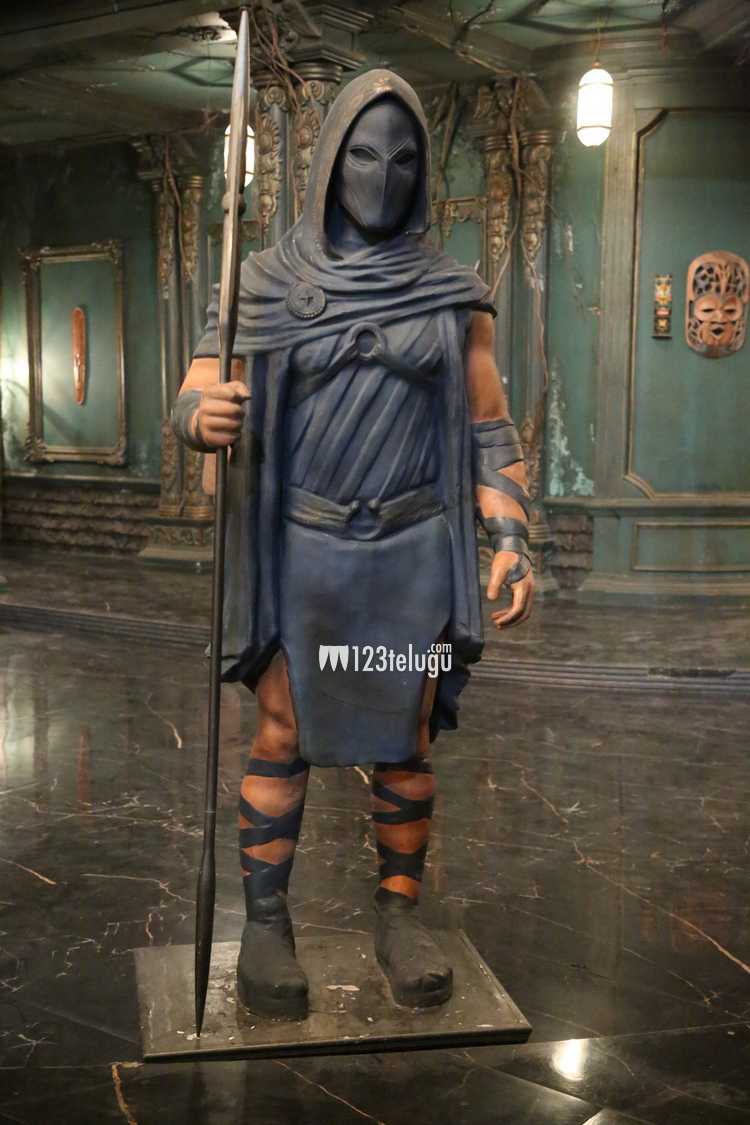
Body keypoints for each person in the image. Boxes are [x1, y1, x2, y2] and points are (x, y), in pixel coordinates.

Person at [172, 69, 533, 1020]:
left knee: (406, 740)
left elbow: (489, 426)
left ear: (423, 171)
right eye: (365, 154)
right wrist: (200, 415)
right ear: (332, 161)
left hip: (411, 559)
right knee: (283, 733)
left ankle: (399, 918)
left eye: (403, 159)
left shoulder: (452, 296)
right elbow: (200, 383)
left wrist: (510, 535)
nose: (382, 175)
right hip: (304, 556)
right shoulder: (261, 284)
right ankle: (266, 924)